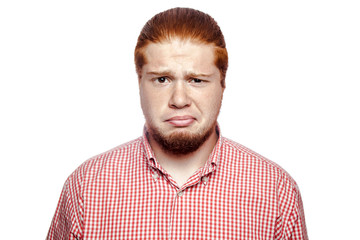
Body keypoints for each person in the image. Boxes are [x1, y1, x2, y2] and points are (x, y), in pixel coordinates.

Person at [47, 7, 308, 239]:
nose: (179, 99)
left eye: (196, 80)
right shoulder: (85, 186)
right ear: (140, 83)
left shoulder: (276, 191)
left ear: (223, 84)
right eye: (162, 79)